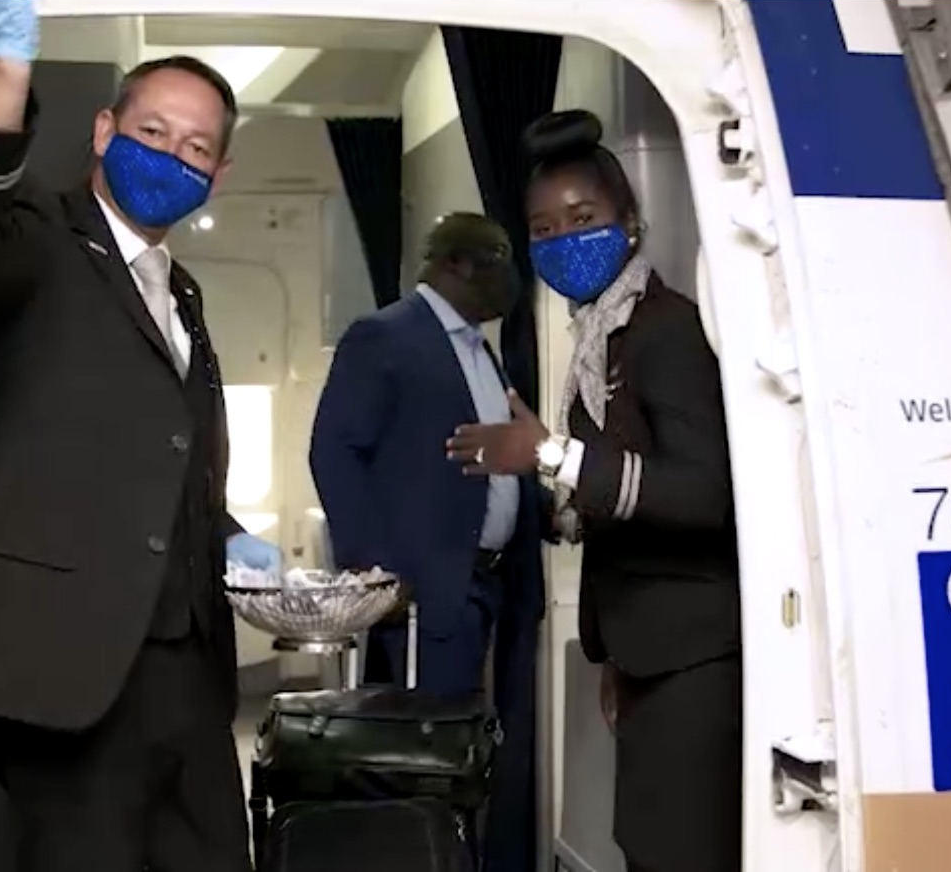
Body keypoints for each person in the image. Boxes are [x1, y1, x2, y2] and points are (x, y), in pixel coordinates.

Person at [0, 1, 278, 871]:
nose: (172, 154)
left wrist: (231, 545)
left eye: (196, 147)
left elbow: (156, 460)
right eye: (152, 130)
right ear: (104, 129)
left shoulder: (180, 291)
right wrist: (3, 68)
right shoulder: (37, 241)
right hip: (64, 668)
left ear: (218, 174)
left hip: (188, 678)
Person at [446, 109, 743, 872]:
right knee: (643, 846)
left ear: (631, 223)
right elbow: (615, 503)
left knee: (678, 852)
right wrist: (615, 657)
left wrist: (548, 451)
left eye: (583, 220)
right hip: (645, 651)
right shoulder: (598, 341)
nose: (563, 242)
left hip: (696, 651)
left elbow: (705, 493)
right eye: (543, 231)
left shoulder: (667, 330)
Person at [309, 212, 545, 872]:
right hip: (426, 595)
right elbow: (333, 449)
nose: (513, 282)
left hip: (499, 585)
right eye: (501, 261)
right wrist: (372, 569)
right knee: (428, 766)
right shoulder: (384, 336)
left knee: (481, 759)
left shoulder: (479, 349)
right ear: (459, 265)